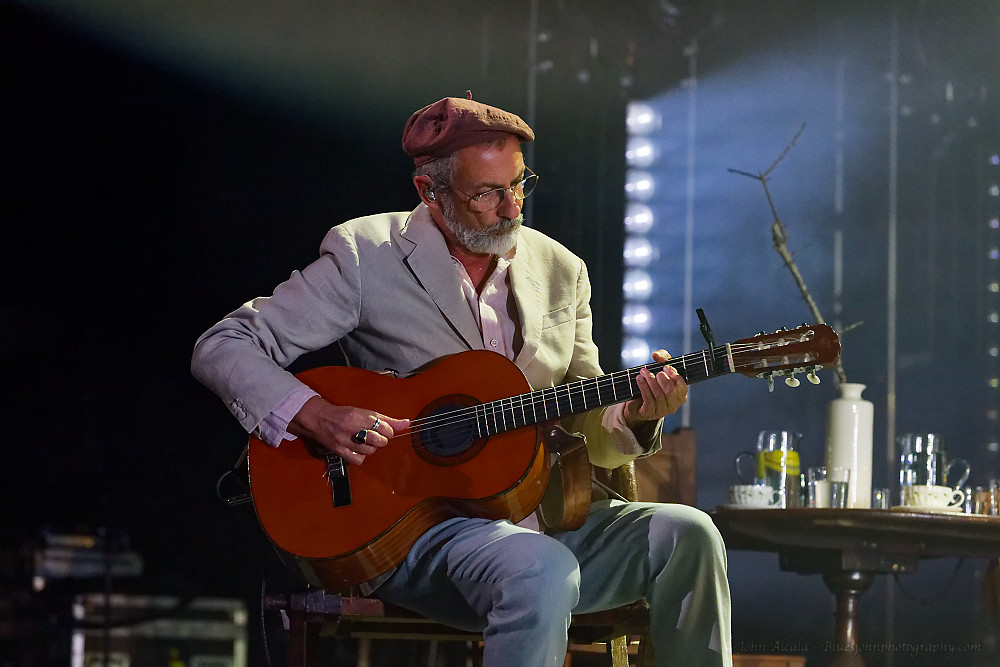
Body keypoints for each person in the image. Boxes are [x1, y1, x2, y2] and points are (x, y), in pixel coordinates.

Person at [191, 95, 732, 666]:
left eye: (520, 184)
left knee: (690, 534)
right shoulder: (365, 254)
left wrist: (635, 417)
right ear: (431, 191)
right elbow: (222, 347)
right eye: (487, 193)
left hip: (545, 518)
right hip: (422, 529)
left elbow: (586, 417)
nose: (511, 208)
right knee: (540, 569)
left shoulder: (561, 269)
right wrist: (318, 415)